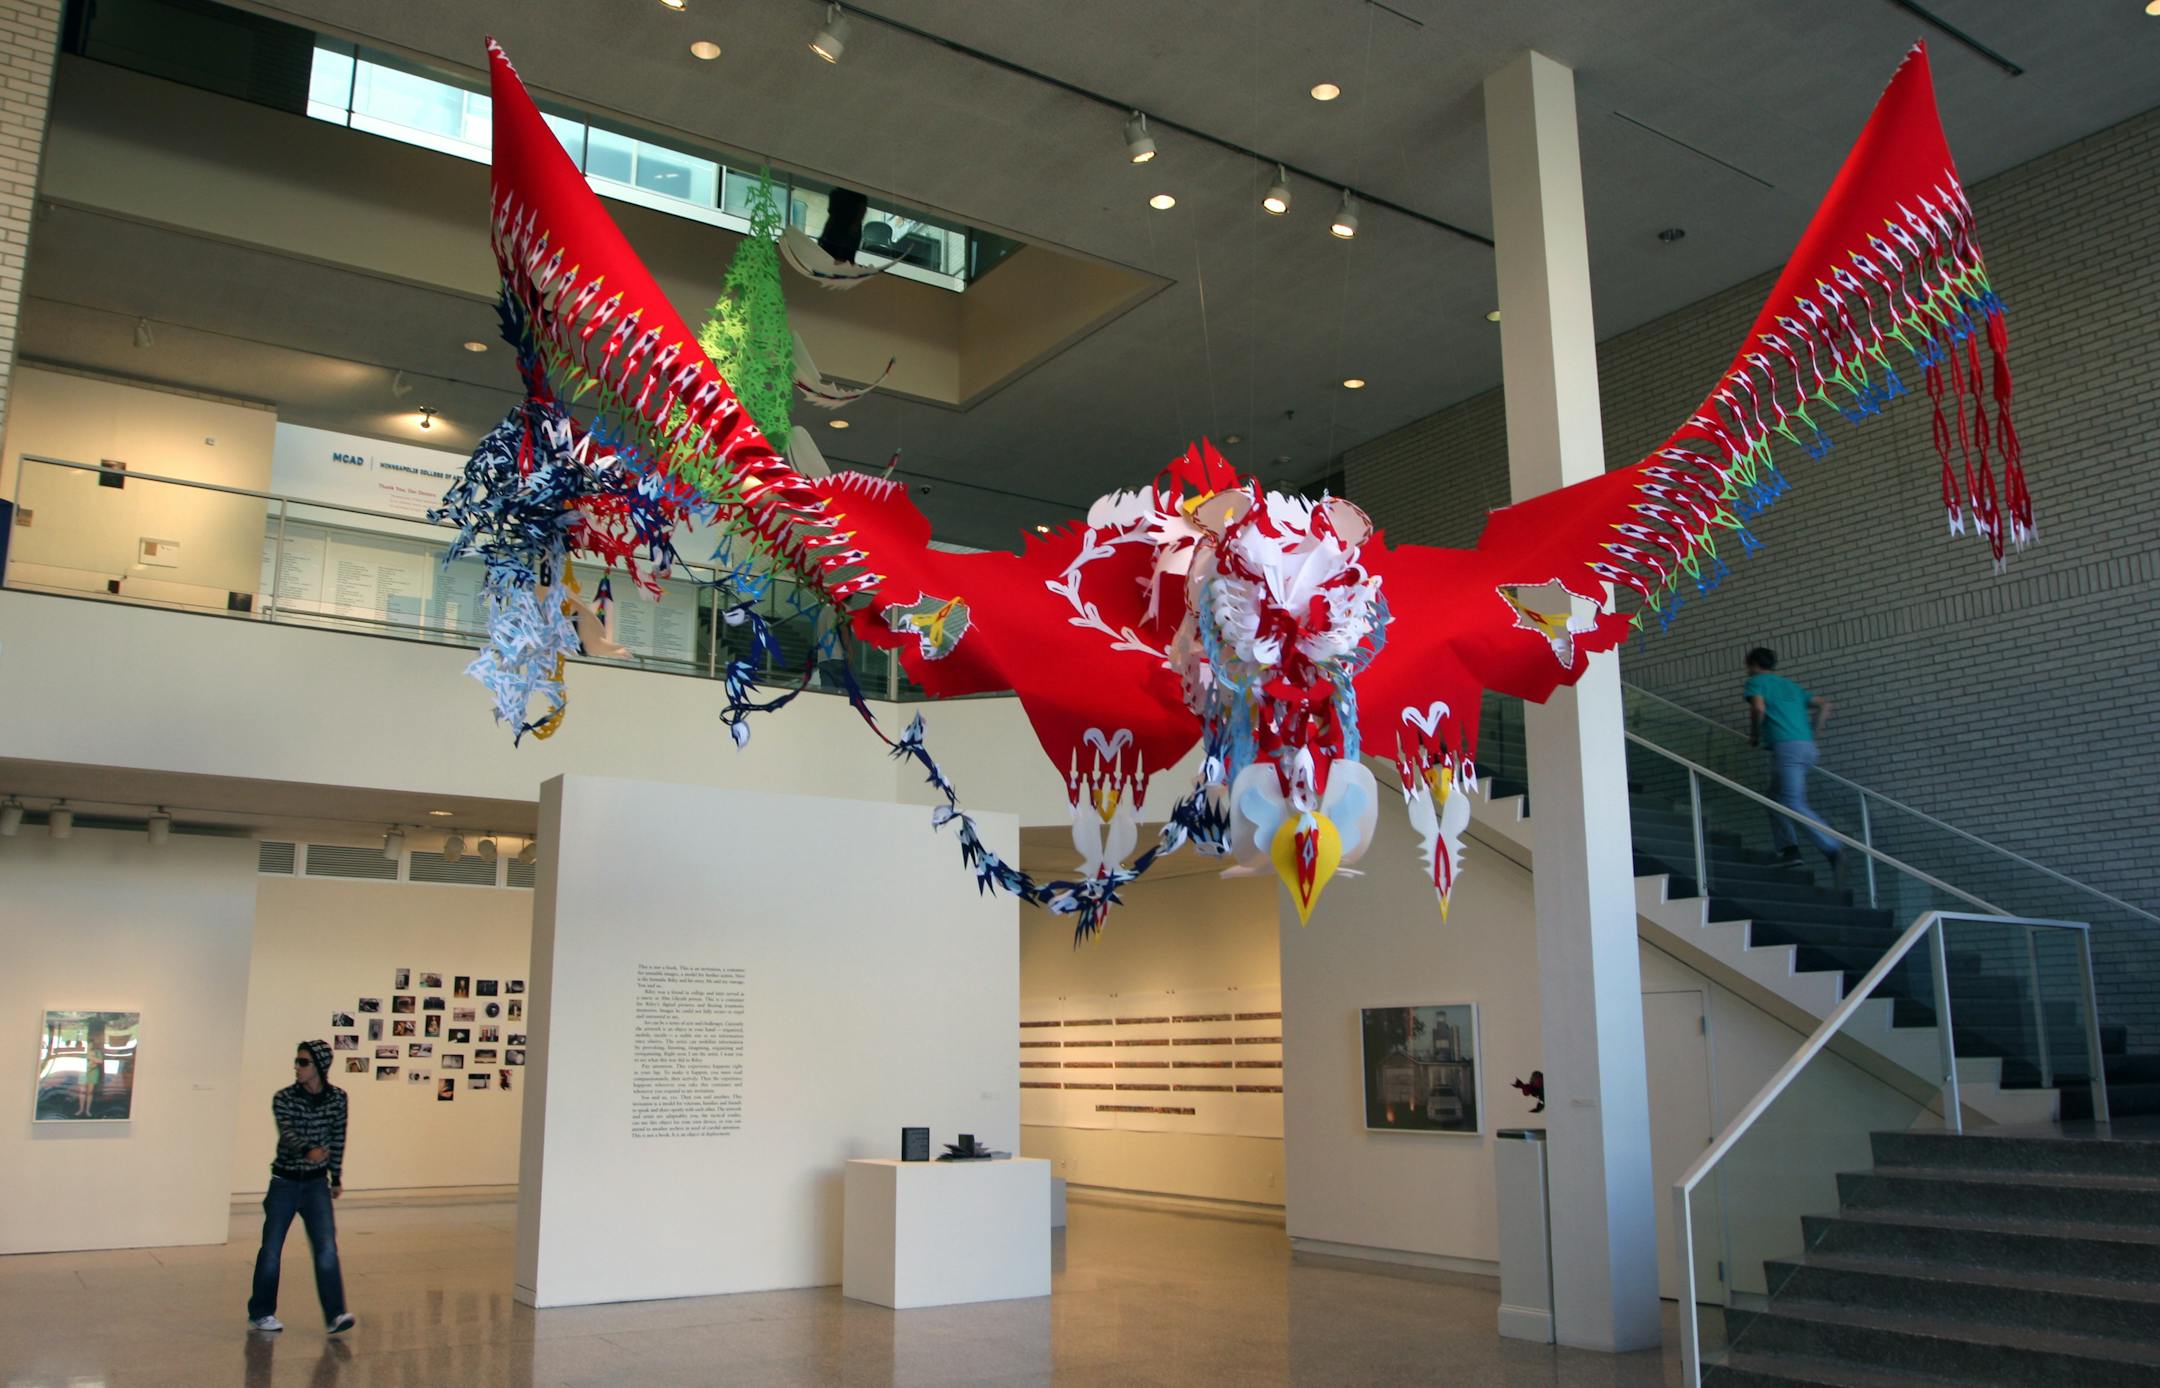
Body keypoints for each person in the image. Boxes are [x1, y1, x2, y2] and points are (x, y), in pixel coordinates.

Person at [246, 1039, 356, 1336]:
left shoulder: (338, 1099)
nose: (297, 1067)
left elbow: (338, 1137)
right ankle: (261, 1313)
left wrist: (336, 1176)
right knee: (271, 1250)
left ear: (319, 1067)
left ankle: (336, 1314)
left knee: (326, 1249)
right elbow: (288, 1133)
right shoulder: (284, 1098)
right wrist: (307, 1149)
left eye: (303, 1062)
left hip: (316, 1185)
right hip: (284, 1183)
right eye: (297, 1061)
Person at [1743, 647, 1840, 868]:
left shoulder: (1756, 682)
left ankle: (1832, 845)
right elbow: (1825, 705)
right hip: (1806, 748)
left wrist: (1755, 735)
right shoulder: (1790, 686)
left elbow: (1758, 707)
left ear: (1754, 665)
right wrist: (1814, 734)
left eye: (1748, 666)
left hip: (1786, 747)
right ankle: (1789, 850)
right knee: (1773, 799)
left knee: (1791, 801)